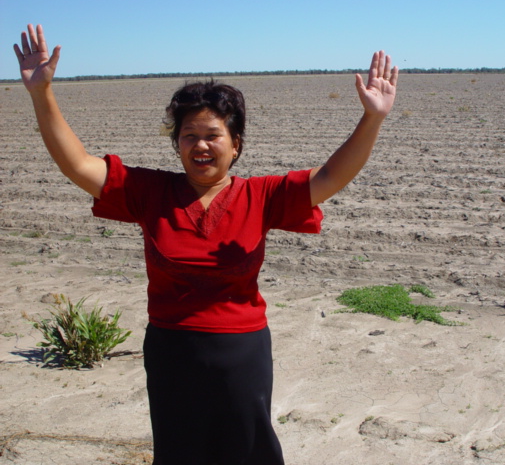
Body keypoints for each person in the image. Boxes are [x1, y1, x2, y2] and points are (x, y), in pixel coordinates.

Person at [14, 23, 399, 465]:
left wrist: (373, 117)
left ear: (235, 144)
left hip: (242, 352)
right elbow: (78, 164)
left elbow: (332, 176)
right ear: (176, 143)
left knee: (250, 450)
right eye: (189, 135)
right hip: (172, 350)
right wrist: (41, 94)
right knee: (180, 453)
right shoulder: (151, 192)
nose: (201, 145)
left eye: (213, 135)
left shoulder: (262, 196)